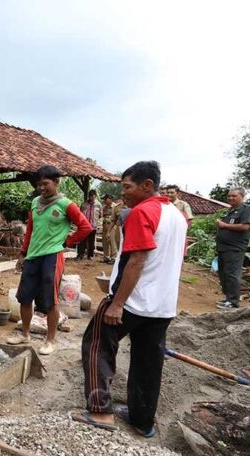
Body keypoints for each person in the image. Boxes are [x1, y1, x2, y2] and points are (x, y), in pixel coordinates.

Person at [73, 161, 187, 437]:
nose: (122, 193)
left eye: (127, 187)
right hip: (163, 305)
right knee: (148, 362)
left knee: (97, 346)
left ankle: (100, 410)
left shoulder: (142, 212)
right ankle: (142, 420)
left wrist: (117, 303)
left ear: (147, 185)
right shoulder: (177, 216)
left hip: (133, 301)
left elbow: (137, 260)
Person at [6, 165, 92, 355]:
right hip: (32, 257)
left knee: (50, 301)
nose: (41, 188)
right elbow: (30, 230)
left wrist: (67, 242)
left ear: (56, 182)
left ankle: (50, 340)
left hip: (52, 257)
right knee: (25, 298)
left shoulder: (66, 204)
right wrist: (22, 253)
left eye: (45, 183)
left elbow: (85, 227)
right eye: (38, 184)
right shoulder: (35, 203)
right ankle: (25, 334)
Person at [215, 187, 250, 309]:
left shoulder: (247, 209)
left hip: (235, 248)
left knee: (232, 274)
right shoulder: (230, 211)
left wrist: (224, 225)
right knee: (223, 273)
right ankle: (228, 298)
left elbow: (245, 227)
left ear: (242, 197)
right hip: (223, 247)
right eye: (229, 196)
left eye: (234, 196)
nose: (230, 198)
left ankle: (233, 302)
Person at [77, 190, 102, 261]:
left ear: (95, 196)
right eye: (90, 196)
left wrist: (95, 221)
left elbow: (100, 215)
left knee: (91, 241)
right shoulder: (84, 204)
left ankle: (90, 255)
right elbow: (80, 214)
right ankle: (80, 255)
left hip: (93, 226)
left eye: (93, 196)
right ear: (89, 196)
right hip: (84, 226)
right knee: (82, 241)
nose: (92, 198)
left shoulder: (98, 205)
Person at [100, 194, 116, 264]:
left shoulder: (115, 207)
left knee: (112, 241)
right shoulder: (104, 207)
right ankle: (106, 257)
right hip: (105, 225)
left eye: (105, 199)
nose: (104, 201)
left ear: (110, 199)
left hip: (112, 226)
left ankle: (114, 257)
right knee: (105, 242)